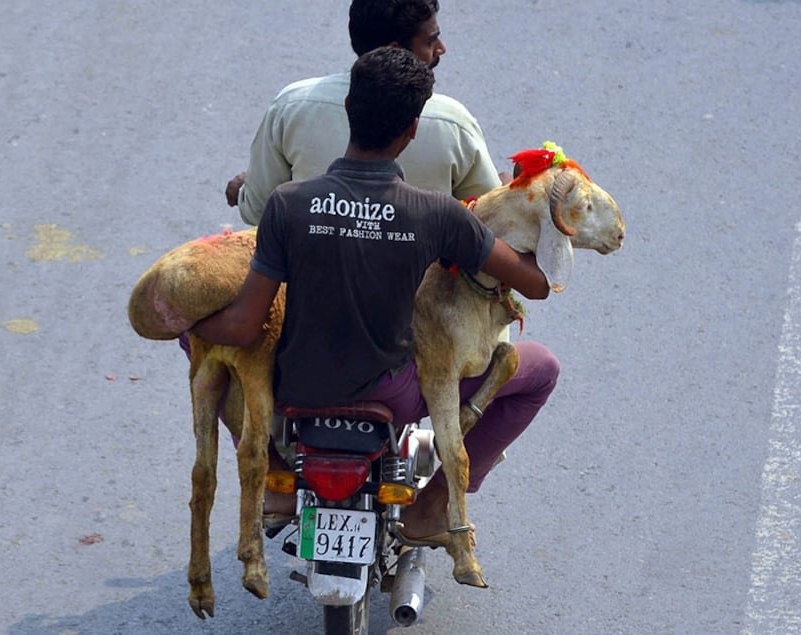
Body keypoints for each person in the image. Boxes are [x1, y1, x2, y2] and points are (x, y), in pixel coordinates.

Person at [187, 46, 560, 546]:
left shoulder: (287, 205)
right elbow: (535, 285)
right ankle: (433, 505)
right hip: (395, 396)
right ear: (412, 130)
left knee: (204, 346)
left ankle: (272, 468)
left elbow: (242, 328)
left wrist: (189, 328)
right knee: (540, 370)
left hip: (296, 389)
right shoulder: (437, 214)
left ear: (348, 111)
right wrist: (550, 215)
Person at [225, 0, 505, 225]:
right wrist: (510, 188)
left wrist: (245, 188)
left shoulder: (291, 107)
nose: (441, 49)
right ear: (395, 50)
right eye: (431, 40)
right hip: (421, 280)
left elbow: (258, 211)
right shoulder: (452, 122)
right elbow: (491, 219)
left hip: (314, 278)